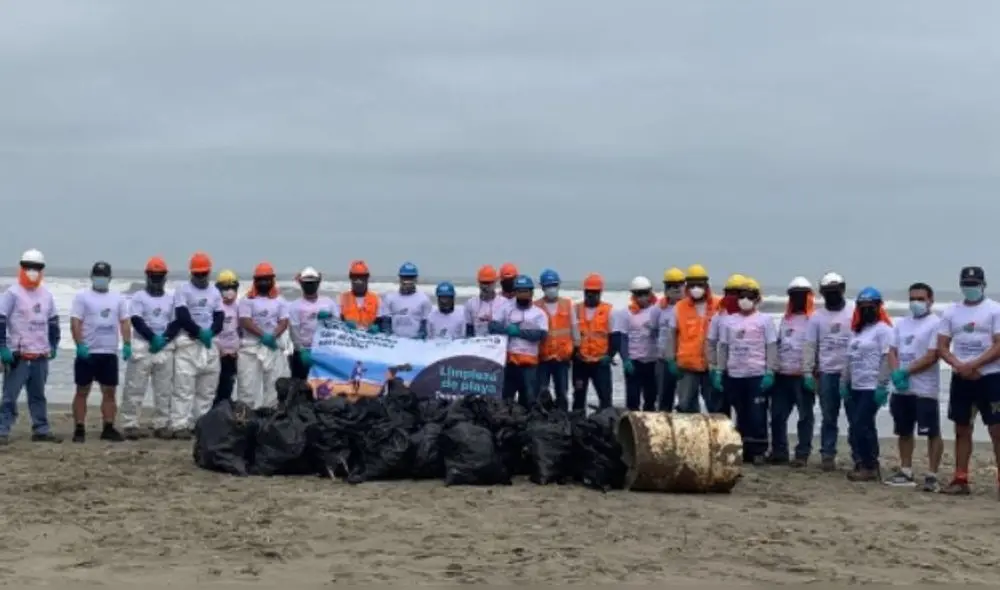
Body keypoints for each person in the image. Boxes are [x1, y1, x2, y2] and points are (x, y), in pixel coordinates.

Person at [936, 266, 1000, 496]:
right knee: (962, 429)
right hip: (961, 376)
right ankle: (960, 478)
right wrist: (958, 365)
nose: (970, 288)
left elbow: (998, 344)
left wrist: (974, 364)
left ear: (983, 284)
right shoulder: (951, 311)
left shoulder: (994, 310)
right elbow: (942, 345)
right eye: (967, 284)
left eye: (974, 284)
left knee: (996, 429)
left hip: (990, 376)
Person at [0, 249, 61, 444]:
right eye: (29, 267)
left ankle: (41, 429)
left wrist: (54, 344)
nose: (32, 271)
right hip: (18, 355)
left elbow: (53, 321)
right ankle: (2, 430)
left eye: (37, 268)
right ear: (22, 268)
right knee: (10, 397)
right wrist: (2, 347)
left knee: (38, 396)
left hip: (40, 355)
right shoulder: (12, 293)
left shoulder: (46, 295)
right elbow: (1, 319)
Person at [885, 282, 942, 490]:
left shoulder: (936, 323)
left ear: (930, 300)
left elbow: (933, 355)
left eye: (920, 299)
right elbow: (892, 350)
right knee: (904, 430)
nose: (916, 302)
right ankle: (906, 470)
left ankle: (932, 475)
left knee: (931, 431)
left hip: (924, 387)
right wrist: (895, 373)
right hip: (902, 389)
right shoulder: (901, 323)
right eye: (912, 299)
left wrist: (907, 371)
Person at [715, 278, 777, 465]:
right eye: (741, 296)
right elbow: (723, 347)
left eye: (749, 296)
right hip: (735, 374)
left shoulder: (764, 321)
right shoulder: (728, 321)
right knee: (741, 414)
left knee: (757, 414)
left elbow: (771, 346)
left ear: (757, 299)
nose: (745, 300)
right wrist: (719, 371)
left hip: (757, 374)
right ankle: (742, 448)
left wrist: (770, 371)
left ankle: (758, 450)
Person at [70, 261, 130, 443]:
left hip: (109, 352)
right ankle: (79, 428)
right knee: (82, 390)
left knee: (110, 392)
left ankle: (109, 427)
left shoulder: (118, 298)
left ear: (110, 278)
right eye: (98, 275)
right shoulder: (82, 297)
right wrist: (79, 344)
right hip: (88, 351)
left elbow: (125, 322)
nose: (101, 279)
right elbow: (75, 322)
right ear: (92, 276)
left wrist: (127, 343)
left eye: (104, 276)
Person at [802, 271, 854, 471]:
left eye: (835, 291)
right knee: (829, 416)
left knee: (854, 417)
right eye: (827, 292)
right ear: (822, 293)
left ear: (843, 289)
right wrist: (807, 372)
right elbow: (810, 345)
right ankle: (827, 454)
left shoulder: (853, 312)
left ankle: (858, 454)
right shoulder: (817, 317)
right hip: (827, 373)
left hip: (850, 374)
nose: (832, 295)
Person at [840, 287, 893, 482]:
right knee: (858, 426)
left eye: (870, 307)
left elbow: (888, 358)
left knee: (861, 424)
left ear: (878, 307)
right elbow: (849, 358)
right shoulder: (856, 331)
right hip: (855, 386)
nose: (866, 310)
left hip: (871, 386)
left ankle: (870, 464)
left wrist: (882, 385)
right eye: (863, 307)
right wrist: (843, 382)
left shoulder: (884, 330)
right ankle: (862, 462)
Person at [170, 251, 225, 439]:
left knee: (207, 389)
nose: (201, 277)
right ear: (191, 273)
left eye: (204, 274)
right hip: (188, 343)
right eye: (197, 274)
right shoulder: (183, 290)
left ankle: (199, 424)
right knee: (183, 387)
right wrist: (198, 332)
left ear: (209, 272)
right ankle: (179, 425)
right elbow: (182, 315)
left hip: (209, 345)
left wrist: (212, 332)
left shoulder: (214, 292)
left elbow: (219, 317)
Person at [120, 256, 175, 440]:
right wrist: (152, 338)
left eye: (160, 276)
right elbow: (136, 320)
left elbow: (175, 322)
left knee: (164, 389)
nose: (156, 280)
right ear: (147, 276)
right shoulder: (138, 297)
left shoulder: (171, 298)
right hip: (143, 345)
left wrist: (164, 338)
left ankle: (161, 424)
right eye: (153, 276)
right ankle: (130, 424)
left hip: (164, 346)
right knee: (135, 387)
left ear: (165, 277)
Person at [770, 276, 815, 466]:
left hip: (803, 376)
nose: (797, 299)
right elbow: (778, 345)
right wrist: (772, 370)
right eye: (794, 296)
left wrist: (812, 373)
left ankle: (802, 453)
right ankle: (779, 451)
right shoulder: (785, 320)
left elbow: (817, 347)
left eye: (801, 296)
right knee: (777, 416)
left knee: (805, 416)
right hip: (783, 375)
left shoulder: (813, 320)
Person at [666, 264, 720, 413]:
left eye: (700, 284)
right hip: (687, 366)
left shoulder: (718, 305)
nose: (696, 288)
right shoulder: (679, 307)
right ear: (687, 286)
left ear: (706, 285)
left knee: (716, 407)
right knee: (685, 406)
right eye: (692, 285)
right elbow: (671, 335)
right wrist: (670, 359)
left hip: (712, 367)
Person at [237, 263, 290, 408]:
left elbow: (284, 321)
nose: (264, 282)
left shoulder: (280, 300)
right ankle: (245, 418)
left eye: (267, 279)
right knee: (247, 386)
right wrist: (263, 336)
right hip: (250, 349)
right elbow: (245, 321)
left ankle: (270, 417)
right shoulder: (247, 300)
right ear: (255, 280)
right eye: (261, 279)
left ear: (272, 280)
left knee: (273, 387)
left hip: (273, 347)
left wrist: (272, 336)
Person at [491, 275, 548, 407]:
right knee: (505, 400)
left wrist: (519, 332)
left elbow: (541, 334)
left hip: (530, 365)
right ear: (515, 292)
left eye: (525, 291)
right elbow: (492, 326)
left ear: (531, 293)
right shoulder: (506, 308)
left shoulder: (539, 313)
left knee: (529, 401)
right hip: (510, 363)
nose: (522, 294)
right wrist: (506, 329)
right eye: (519, 291)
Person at [572, 273, 617, 410]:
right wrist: (574, 354)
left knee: (605, 398)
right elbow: (570, 335)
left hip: (600, 363)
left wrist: (609, 355)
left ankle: (606, 426)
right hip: (581, 362)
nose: (591, 295)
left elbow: (614, 336)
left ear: (600, 293)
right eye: (588, 292)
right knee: (578, 398)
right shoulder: (576, 309)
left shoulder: (609, 311)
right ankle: (577, 426)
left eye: (594, 292)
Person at [534, 269, 578, 411]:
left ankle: (563, 419)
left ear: (558, 285)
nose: (551, 289)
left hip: (562, 358)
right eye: (548, 286)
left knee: (562, 393)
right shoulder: (536, 306)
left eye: (553, 285)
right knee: (541, 392)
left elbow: (574, 328)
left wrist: (575, 351)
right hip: (543, 358)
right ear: (542, 287)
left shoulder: (567, 304)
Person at [616, 276, 660, 411]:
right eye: (638, 294)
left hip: (652, 361)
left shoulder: (657, 311)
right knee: (632, 399)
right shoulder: (626, 313)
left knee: (651, 398)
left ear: (650, 293)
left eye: (645, 293)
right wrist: (625, 359)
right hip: (634, 361)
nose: (642, 297)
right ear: (633, 295)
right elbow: (622, 337)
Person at [288, 267, 338, 379]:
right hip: (303, 353)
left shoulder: (328, 303)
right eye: (306, 283)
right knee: (300, 389)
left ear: (318, 283)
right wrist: (300, 350)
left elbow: (338, 326)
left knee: (324, 388)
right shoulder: (295, 306)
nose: (310, 286)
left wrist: (330, 317)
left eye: (312, 283)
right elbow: (294, 330)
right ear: (301, 284)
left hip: (325, 351)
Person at [655, 267, 686, 411]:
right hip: (664, 361)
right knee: (664, 398)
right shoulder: (658, 308)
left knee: (685, 401)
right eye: (671, 286)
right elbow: (654, 330)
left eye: (678, 285)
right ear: (666, 288)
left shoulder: (689, 307)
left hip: (684, 361)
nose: (675, 289)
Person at [213, 270, 241, 407]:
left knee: (228, 385)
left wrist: (238, 349)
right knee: (213, 387)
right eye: (226, 288)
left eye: (232, 288)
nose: (229, 291)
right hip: (217, 353)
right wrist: (219, 349)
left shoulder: (238, 307)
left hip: (233, 355)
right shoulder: (215, 306)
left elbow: (240, 330)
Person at [382, 262, 432, 338]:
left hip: (414, 342)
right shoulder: (390, 298)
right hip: (396, 341)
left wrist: (421, 337)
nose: (407, 281)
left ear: (416, 279)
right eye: (405, 278)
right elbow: (386, 323)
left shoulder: (424, 299)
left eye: (410, 278)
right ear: (400, 278)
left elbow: (426, 324)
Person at [340, 260, 386, 333]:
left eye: (362, 277)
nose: (358, 281)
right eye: (355, 277)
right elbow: (337, 321)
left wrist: (378, 328)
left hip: (370, 339)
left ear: (367, 278)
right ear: (351, 278)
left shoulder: (376, 299)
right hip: (348, 339)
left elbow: (381, 323)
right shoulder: (343, 298)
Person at [464, 265, 511, 337]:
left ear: (495, 282)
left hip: (498, 345)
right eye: (483, 282)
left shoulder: (505, 303)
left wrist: (492, 323)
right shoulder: (470, 303)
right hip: (477, 344)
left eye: (489, 283)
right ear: (479, 282)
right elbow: (469, 330)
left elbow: (509, 329)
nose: (485, 286)